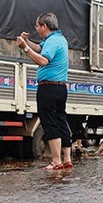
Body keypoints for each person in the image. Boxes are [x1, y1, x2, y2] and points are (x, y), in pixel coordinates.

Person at [17, 11, 72, 170]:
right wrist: (27, 42)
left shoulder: (52, 41)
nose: (36, 28)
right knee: (61, 121)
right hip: (60, 87)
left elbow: (42, 60)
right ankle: (67, 159)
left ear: (44, 26)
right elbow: (40, 49)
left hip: (49, 87)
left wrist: (25, 48)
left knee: (49, 122)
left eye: (37, 25)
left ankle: (56, 161)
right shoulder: (58, 39)